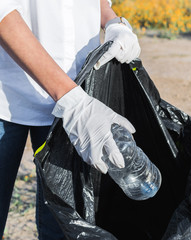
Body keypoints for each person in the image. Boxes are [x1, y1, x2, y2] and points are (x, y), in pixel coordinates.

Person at [0, 0, 141, 239]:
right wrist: (72, 99)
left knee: (65, 227)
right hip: (7, 93)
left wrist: (113, 22)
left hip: (78, 92)